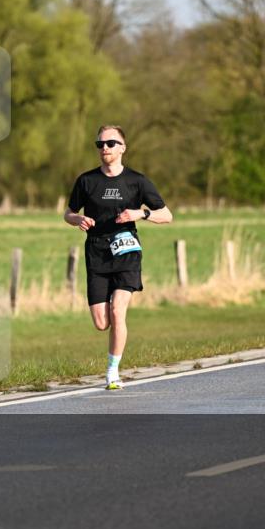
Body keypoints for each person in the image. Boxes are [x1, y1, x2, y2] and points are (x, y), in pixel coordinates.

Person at [63, 125, 173, 390]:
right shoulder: (87, 181)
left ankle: (112, 372)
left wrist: (141, 214)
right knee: (102, 322)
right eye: (100, 144)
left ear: (123, 147)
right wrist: (77, 218)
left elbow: (167, 215)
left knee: (117, 310)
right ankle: (115, 344)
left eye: (111, 143)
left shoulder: (137, 181)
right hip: (97, 253)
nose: (105, 148)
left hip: (126, 252)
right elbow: (67, 213)